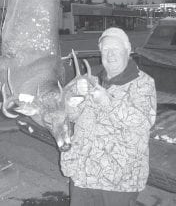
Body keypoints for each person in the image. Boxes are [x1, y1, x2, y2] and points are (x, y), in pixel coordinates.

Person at [60, 27, 157, 206]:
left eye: (115, 49)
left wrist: (108, 101)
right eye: (105, 50)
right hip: (83, 175)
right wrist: (72, 103)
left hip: (118, 181)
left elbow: (143, 123)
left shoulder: (143, 83)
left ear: (127, 51)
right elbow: (71, 117)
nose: (110, 54)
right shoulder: (90, 80)